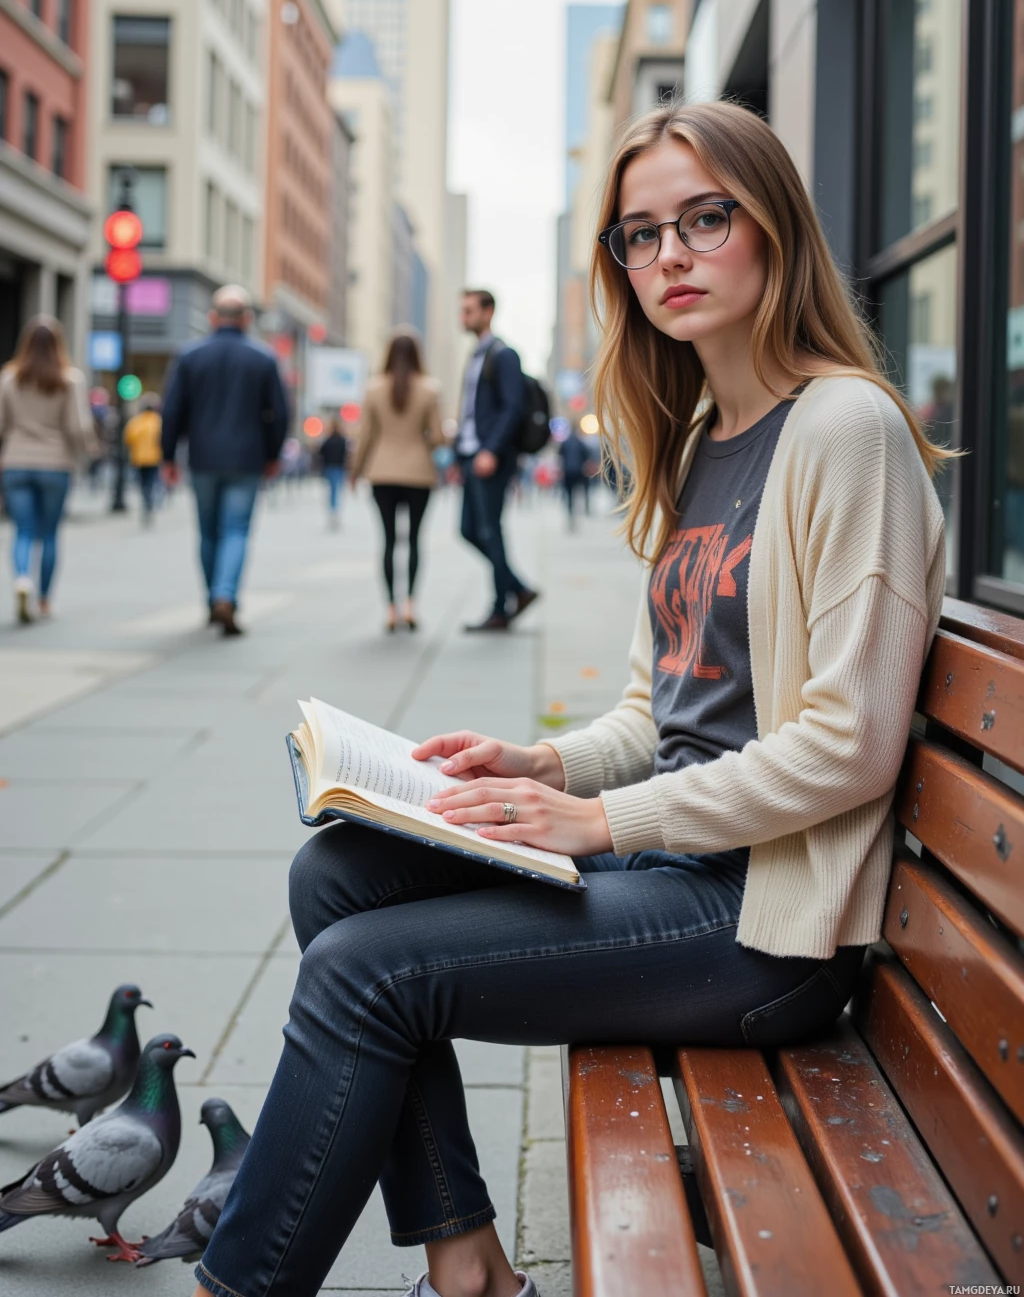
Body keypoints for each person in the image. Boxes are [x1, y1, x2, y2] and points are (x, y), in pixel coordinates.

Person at [190, 102, 949, 1297]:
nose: (669, 258)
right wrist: (545, 768)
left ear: (776, 229)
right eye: (638, 236)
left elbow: (849, 745)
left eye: (706, 219)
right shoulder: (704, 439)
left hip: (763, 922)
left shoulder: (844, 429)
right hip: (679, 875)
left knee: (363, 971)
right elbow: (662, 716)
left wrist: (600, 825)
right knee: (333, 876)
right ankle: (469, 1264)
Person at [161, 284, 288, 636]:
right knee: (236, 530)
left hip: (202, 459)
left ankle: (212, 598)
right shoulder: (263, 358)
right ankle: (225, 595)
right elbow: (279, 413)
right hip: (247, 460)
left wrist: (167, 456)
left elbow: (172, 411)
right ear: (247, 319)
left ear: (213, 317)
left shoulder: (190, 355)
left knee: (208, 531)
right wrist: (273, 455)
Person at [0, 316, 96, 624]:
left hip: (15, 462)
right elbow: (76, 426)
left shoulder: (9, 379)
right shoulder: (69, 379)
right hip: (55, 463)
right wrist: (88, 451)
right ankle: (43, 600)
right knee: (50, 534)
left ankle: (22, 579)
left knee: (23, 530)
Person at [455, 289, 539, 632]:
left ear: (488, 312)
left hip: (491, 457)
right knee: (468, 530)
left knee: (490, 530)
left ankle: (499, 607)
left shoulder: (503, 355)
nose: (463, 317)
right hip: (471, 455)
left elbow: (513, 407)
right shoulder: (475, 355)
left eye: (469, 311)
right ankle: (518, 589)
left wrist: (490, 448)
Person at [350, 331, 444, 632]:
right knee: (415, 540)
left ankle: (391, 609)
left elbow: (365, 436)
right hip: (419, 473)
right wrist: (422, 446)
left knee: (388, 541)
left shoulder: (373, 388)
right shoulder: (430, 390)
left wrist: (355, 471)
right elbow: (439, 436)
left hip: (382, 472)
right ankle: (411, 606)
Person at [123, 393, 163, 523]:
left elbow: (128, 439)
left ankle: (147, 503)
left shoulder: (136, 422)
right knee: (153, 482)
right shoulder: (158, 421)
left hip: (139, 459)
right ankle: (151, 502)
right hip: (155, 458)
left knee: (144, 484)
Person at [557, 422, 595, 529]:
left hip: (567, 471)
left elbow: (560, 457)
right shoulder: (581, 442)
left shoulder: (565, 443)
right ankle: (583, 509)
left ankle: (570, 512)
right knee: (580, 492)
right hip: (578, 472)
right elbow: (587, 457)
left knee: (569, 494)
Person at [317, 420, 349, 529]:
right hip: (339, 468)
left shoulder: (328, 440)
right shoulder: (342, 441)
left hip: (330, 467)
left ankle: (333, 510)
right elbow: (346, 455)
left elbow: (320, 453)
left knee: (332, 490)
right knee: (336, 490)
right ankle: (334, 511)